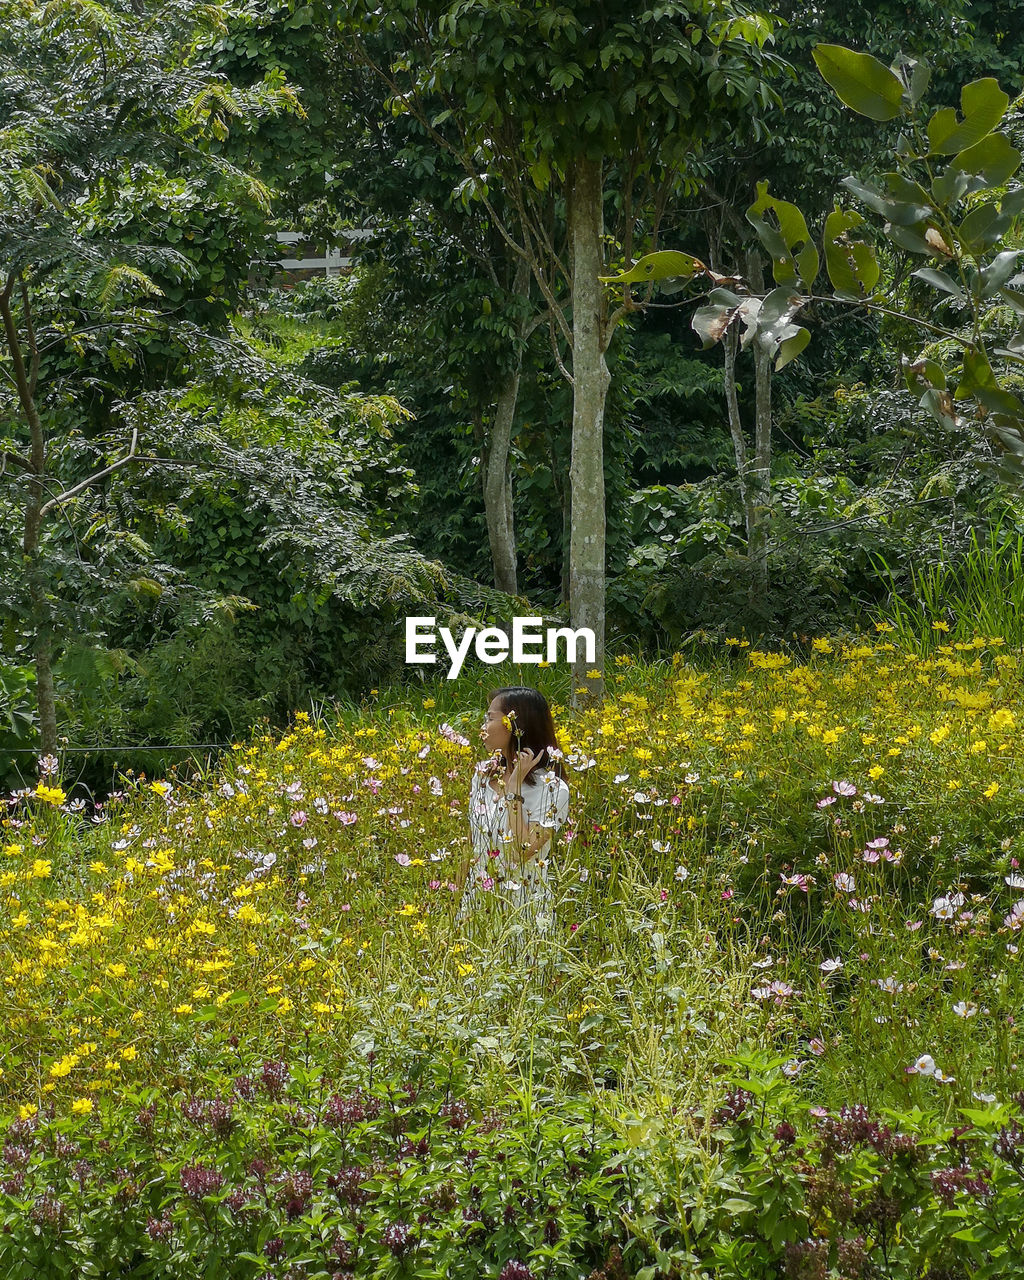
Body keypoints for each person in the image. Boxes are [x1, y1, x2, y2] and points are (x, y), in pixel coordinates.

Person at [455, 686, 570, 950]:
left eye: (490, 718)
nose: (482, 727)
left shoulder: (552, 789)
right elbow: (472, 843)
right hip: (477, 902)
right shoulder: (484, 775)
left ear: (513, 725)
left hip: (523, 906)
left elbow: (522, 850)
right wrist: (456, 903)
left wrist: (515, 789)